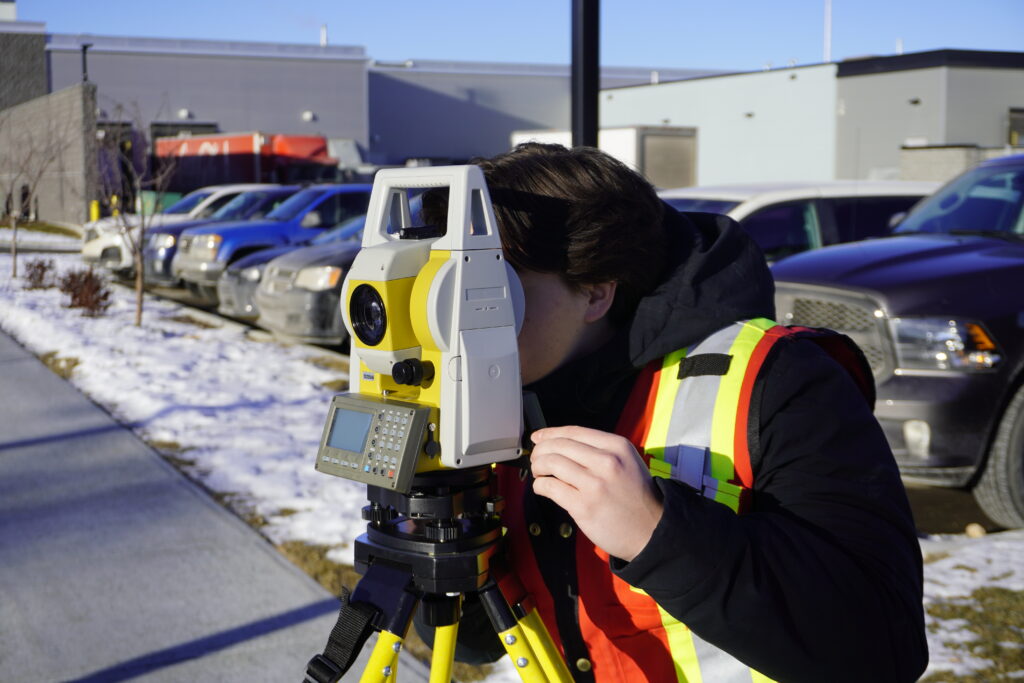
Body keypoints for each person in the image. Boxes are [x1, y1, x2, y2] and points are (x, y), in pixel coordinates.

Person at [418, 143, 928, 683]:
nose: (459, 321)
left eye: (490, 292)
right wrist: (438, 547)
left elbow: (881, 650)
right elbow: (474, 641)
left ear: (595, 292)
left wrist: (659, 536)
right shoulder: (505, 395)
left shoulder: (780, 380)